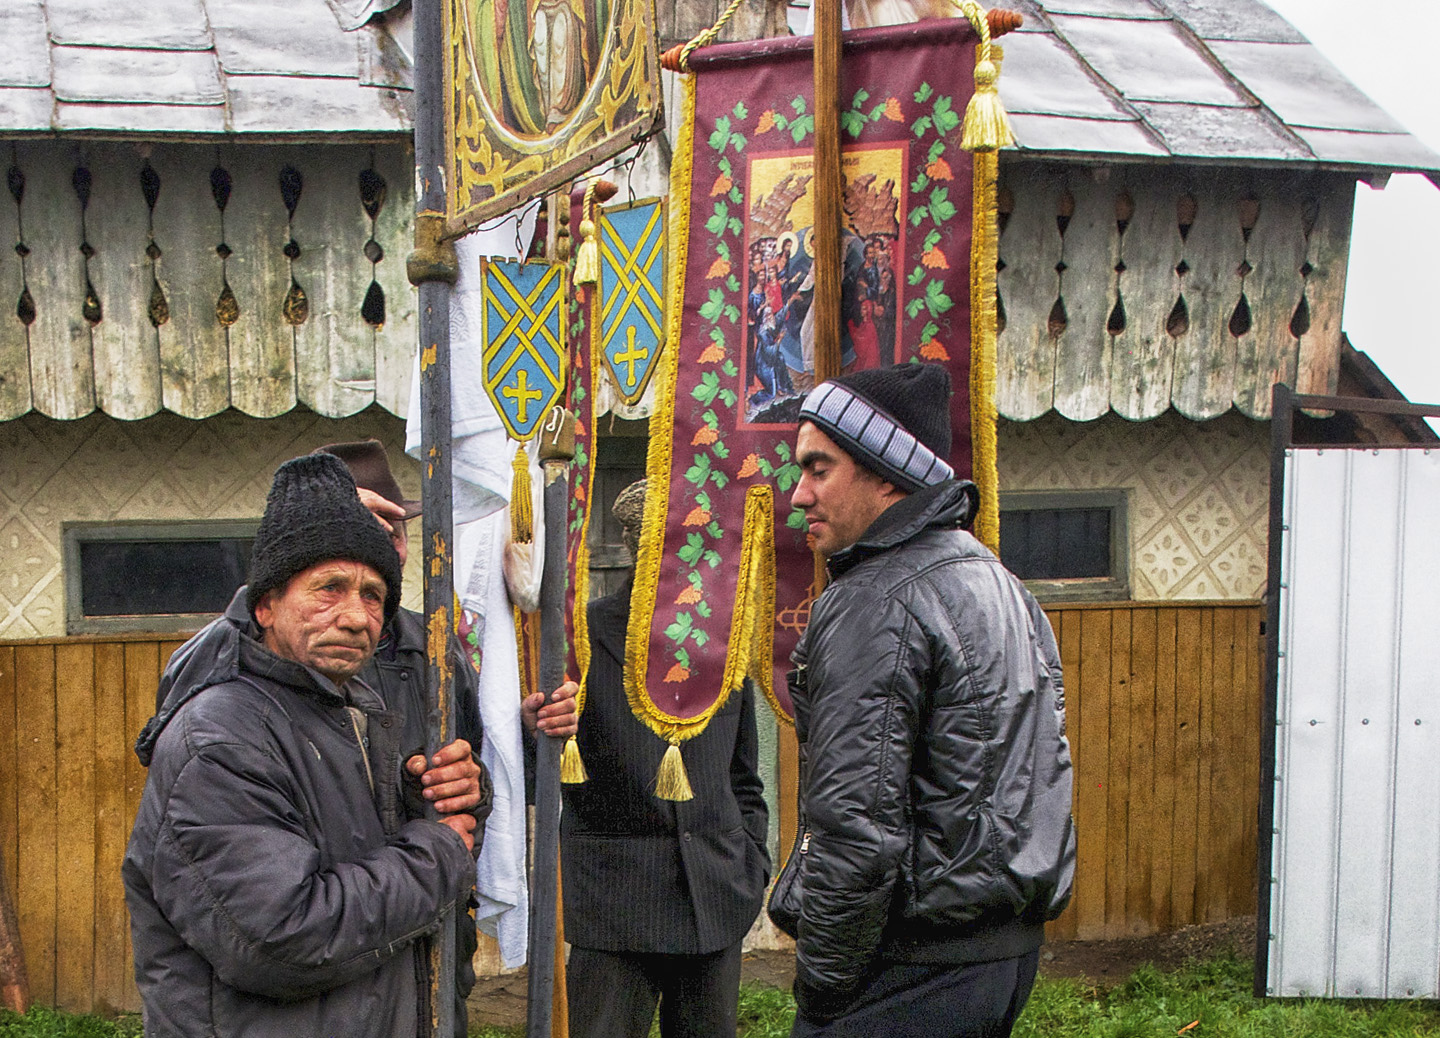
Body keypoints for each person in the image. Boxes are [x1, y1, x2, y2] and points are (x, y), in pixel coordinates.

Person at [140, 438, 577, 1036]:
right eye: (329, 587)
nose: (355, 615)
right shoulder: (218, 736)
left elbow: (407, 814)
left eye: (373, 594)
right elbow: (282, 936)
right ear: (266, 604)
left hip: (400, 1000)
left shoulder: (380, 679)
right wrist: (441, 847)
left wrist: (460, 794)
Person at [778, 363, 1076, 1037]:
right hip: (1002, 960)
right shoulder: (998, 581)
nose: (799, 494)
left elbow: (856, 825)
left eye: (819, 469)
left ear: (887, 474)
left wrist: (822, 991)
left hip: (912, 971)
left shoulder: (875, 598)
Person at [560, 479, 771, 1038]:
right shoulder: (582, 635)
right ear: (640, 547)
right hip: (616, 901)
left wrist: (750, 856)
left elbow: (744, 776)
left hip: (715, 894)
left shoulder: (723, 641)